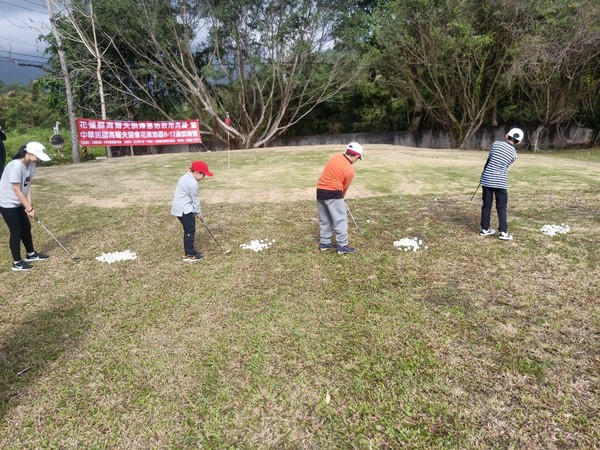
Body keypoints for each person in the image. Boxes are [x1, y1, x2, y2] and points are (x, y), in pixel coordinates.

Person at [0, 142, 52, 271]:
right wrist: (28, 208)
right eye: (38, 156)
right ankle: (17, 263)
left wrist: (29, 205)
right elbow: (16, 189)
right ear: (28, 153)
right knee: (16, 230)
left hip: (19, 201)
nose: (39, 159)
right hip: (6, 202)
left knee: (26, 227)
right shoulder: (16, 166)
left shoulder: (32, 164)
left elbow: (27, 185)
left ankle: (31, 254)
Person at [316, 142, 363, 254]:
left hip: (320, 190)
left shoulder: (335, 157)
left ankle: (325, 243)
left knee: (325, 219)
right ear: (356, 156)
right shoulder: (350, 170)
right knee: (340, 219)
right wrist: (341, 198)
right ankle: (342, 245)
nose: (356, 161)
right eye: (358, 158)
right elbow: (344, 188)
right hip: (333, 192)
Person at [479, 128, 524, 241]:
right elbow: (504, 165)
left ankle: (485, 229)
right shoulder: (514, 155)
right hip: (500, 182)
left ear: (506, 136)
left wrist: (483, 174)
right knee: (501, 207)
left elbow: (489, 160)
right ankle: (503, 232)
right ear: (518, 142)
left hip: (487, 179)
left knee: (486, 205)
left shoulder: (496, 144)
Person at [171, 160, 213, 261]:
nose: (204, 177)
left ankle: (189, 251)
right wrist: (198, 213)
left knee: (188, 229)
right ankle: (189, 254)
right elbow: (195, 201)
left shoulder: (186, 176)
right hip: (184, 210)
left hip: (179, 208)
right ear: (197, 173)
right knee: (190, 230)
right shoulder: (193, 183)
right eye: (204, 175)